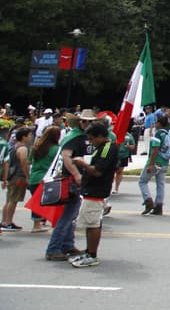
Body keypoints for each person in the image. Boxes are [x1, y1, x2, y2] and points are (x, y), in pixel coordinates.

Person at [66, 121, 118, 267]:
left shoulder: (108, 148)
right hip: (92, 189)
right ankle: (89, 251)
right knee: (90, 223)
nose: (91, 142)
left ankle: (92, 255)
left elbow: (98, 170)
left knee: (93, 223)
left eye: (93, 139)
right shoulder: (101, 147)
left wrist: (83, 164)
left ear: (101, 136)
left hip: (97, 190)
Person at [45, 111, 93, 261]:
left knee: (72, 215)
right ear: (79, 122)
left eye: (90, 122)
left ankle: (67, 245)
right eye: (84, 121)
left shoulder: (81, 136)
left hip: (76, 178)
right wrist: (77, 175)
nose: (87, 124)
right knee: (68, 215)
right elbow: (66, 157)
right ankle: (54, 248)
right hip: (72, 180)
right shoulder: (74, 137)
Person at [139, 111, 170, 216]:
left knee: (142, 181)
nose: (155, 124)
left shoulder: (158, 134)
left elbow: (155, 150)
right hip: (165, 163)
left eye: (156, 122)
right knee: (160, 184)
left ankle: (148, 201)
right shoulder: (169, 133)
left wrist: (150, 164)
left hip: (155, 162)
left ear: (160, 123)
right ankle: (158, 207)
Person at [2, 126, 32, 231]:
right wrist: (27, 176)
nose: (30, 137)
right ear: (24, 137)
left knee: (9, 199)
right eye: (29, 135)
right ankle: (8, 222)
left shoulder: (14, 146)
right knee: (13, 200)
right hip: (19, 176)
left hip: (12, 174)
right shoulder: (23, 148)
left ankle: (5, 221)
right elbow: (24, 163)